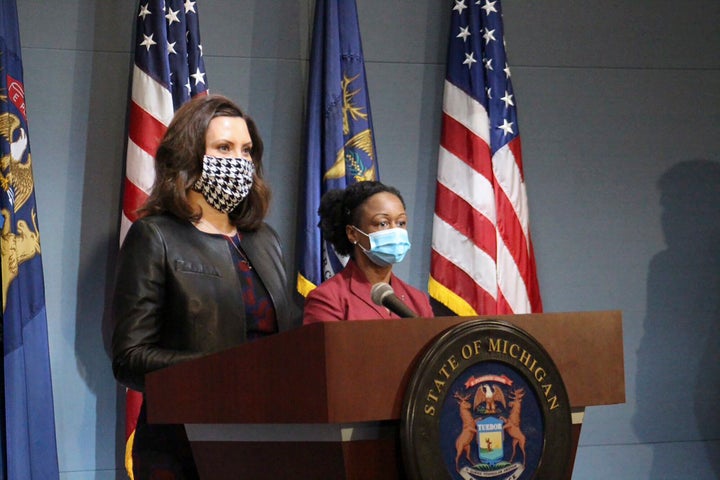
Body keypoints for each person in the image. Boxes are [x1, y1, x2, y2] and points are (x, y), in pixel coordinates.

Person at [111, 94, 300, 479]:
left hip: (266, 439)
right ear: (189, 158)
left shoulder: (265, 239)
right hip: (183, 447)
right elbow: (129, 358)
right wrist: (222, 370)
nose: (239, 162)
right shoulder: (156, 236)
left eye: (246, 151)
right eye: (224, 148)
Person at [303, 181, 434, 323]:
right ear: (353, 233)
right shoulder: (328, 299)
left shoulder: (418, 301)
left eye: (401, 223)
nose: (395, 231)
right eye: (383, 223)